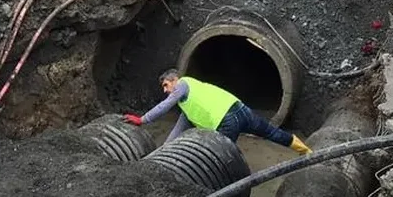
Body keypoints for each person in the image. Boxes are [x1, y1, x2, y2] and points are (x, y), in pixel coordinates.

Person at [123, 69, 312, 154]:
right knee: (272, 133)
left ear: (174, 79)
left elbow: (165, 105)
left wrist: (142, 119)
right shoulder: (189, 104)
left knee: (219, 156)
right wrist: (164, 150)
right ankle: (305, 151)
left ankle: (223, 194)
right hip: (242, 110)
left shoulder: (183, 84)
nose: (165, 90)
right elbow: (177, 131)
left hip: (227, 120)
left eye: (166, 85)